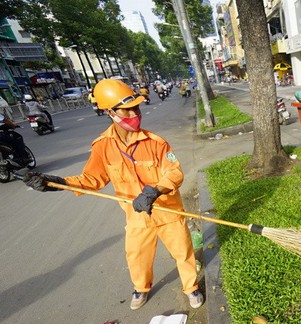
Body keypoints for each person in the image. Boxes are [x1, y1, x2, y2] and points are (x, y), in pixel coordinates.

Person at [24, 79, 204, 310]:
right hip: (137, 216)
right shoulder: (102, 146)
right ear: (109, 112)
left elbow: (174, 172)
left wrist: (154, 190)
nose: (134, 113)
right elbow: (92, 179)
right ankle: (141, 289)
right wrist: (57, 183)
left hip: (167, 211)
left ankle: (191, 288)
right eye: (127, 109)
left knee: (184, 252)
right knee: (136, 256)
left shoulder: (156, 143)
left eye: (136, 108)